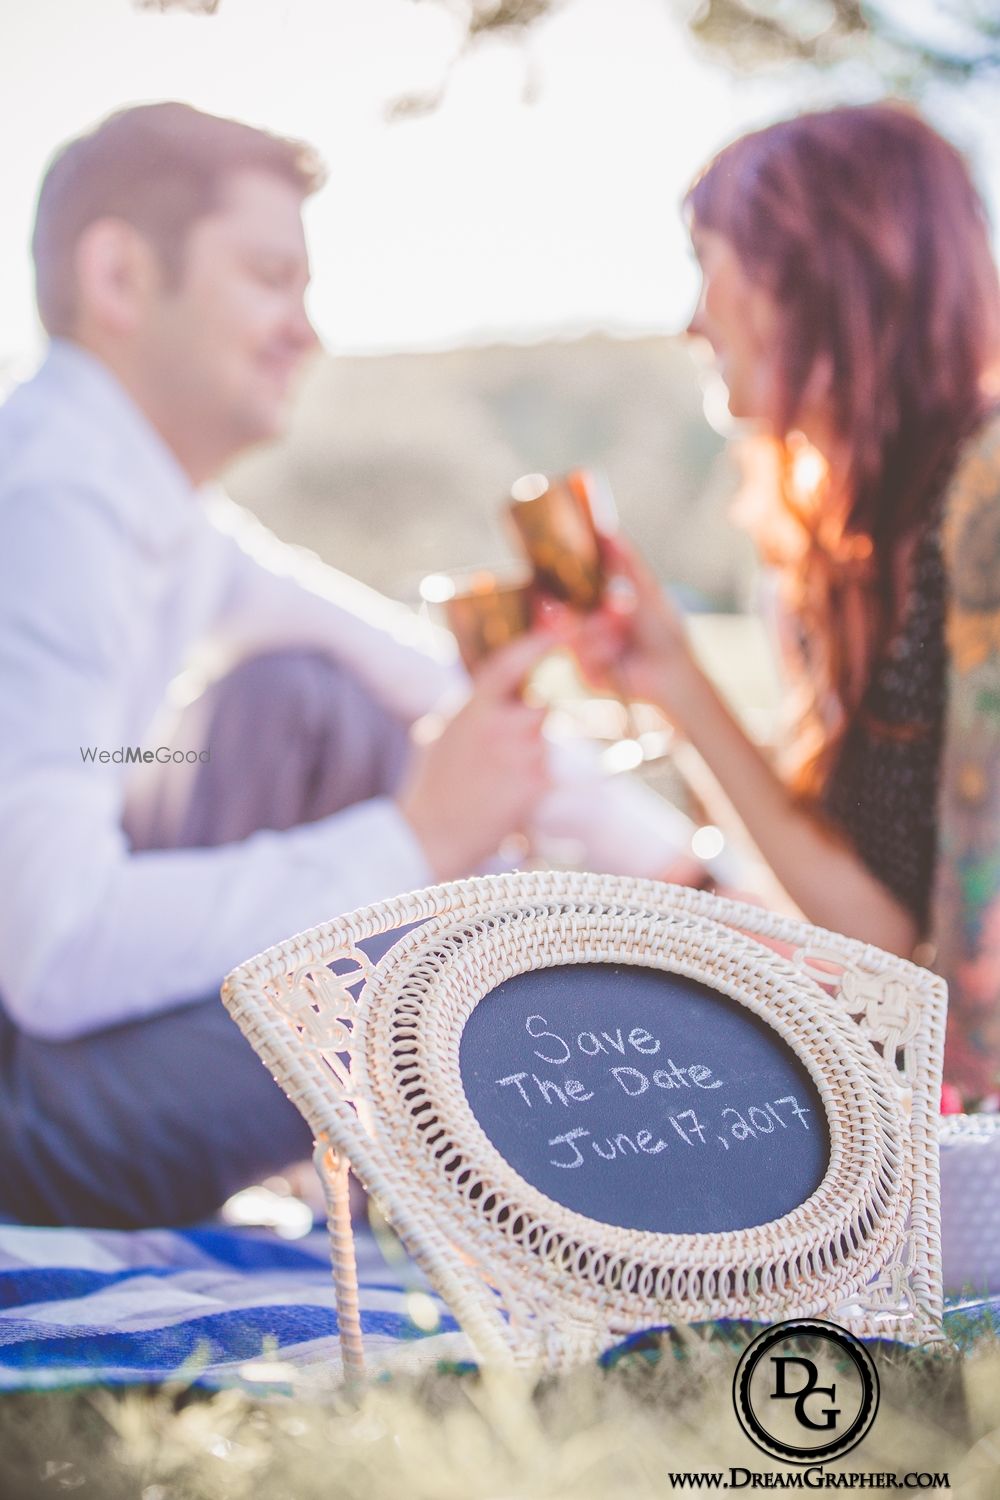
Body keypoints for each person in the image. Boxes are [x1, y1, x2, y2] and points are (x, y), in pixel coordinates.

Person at [0, 102, 692, 1228]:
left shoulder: (154, 510)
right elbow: (55, 946)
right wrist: (412, 844)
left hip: (39, 1035)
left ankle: (648, 1023)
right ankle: (595, 1160)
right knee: (424, 981)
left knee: (310, 701)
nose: (306, 332)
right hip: (21, 1114)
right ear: (121, 277)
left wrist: (686, 883)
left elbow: (415, 674)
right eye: (271, 277)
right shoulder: (49, 506)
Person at [570, 103, 1000, 1105]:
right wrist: (669, 679)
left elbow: (970, 1009)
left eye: (707, 263)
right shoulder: (840, 550)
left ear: (817, 272)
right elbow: (889, 947)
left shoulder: (985, 495)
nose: (690, 321)